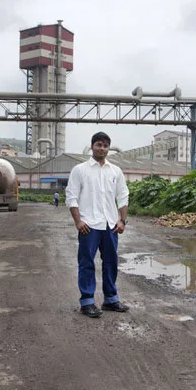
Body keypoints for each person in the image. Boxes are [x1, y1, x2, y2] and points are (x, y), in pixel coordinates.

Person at [66, 131, 130, 318]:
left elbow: (123, 196)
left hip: (111, 225)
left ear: (108, 148)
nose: (102, 148)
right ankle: (87, 301)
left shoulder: (115, 171)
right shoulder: (80, 170)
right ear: (92, 146)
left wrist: (122, 220)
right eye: (98, 145)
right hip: (89, 226)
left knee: (111, 262)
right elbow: (71, 197)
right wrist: (78, 221)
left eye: (105, 145)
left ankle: (110, 299)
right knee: (86, 263)